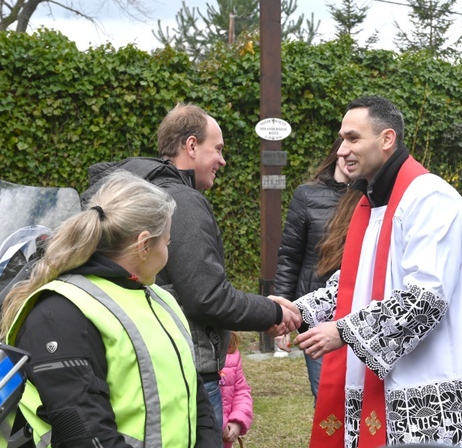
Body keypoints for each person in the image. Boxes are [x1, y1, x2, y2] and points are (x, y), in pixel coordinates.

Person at [290, 96, 462, 448]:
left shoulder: (429, 199)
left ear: (387, 139)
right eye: (341, 140)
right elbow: (357, 285)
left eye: (353, 138)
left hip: (433, 383)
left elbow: (424, 298)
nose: (342, 151)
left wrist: (343, 330)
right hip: (395, 379)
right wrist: (296, 311)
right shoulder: (374, 201)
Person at [0, 171, 227, 448]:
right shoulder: (60, 314)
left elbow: (196, 400)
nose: (169, 250)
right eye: (167, 242)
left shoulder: (159, 298)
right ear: (144, 244)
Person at [81, 103, 300, 430]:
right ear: (192, 145)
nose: (223, 161)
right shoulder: (180, 201)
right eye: (218, 149)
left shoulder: (136, 196)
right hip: (189, 369)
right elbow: (207, 296)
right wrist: (272, 312)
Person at [272, 138, 360, 448]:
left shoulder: (375, 196)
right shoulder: (307, 196)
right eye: (345, 146)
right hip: (317, 312)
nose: (349, 155)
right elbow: (289, 256)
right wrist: (282, 313)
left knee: (356, 397)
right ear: (335, 150)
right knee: (327, 399)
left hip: (359, 316)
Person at [219, 332, 253, 448]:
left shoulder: (231, 351)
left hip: (223, 442)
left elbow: (241, 391)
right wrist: (220, 423)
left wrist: (237, 421)